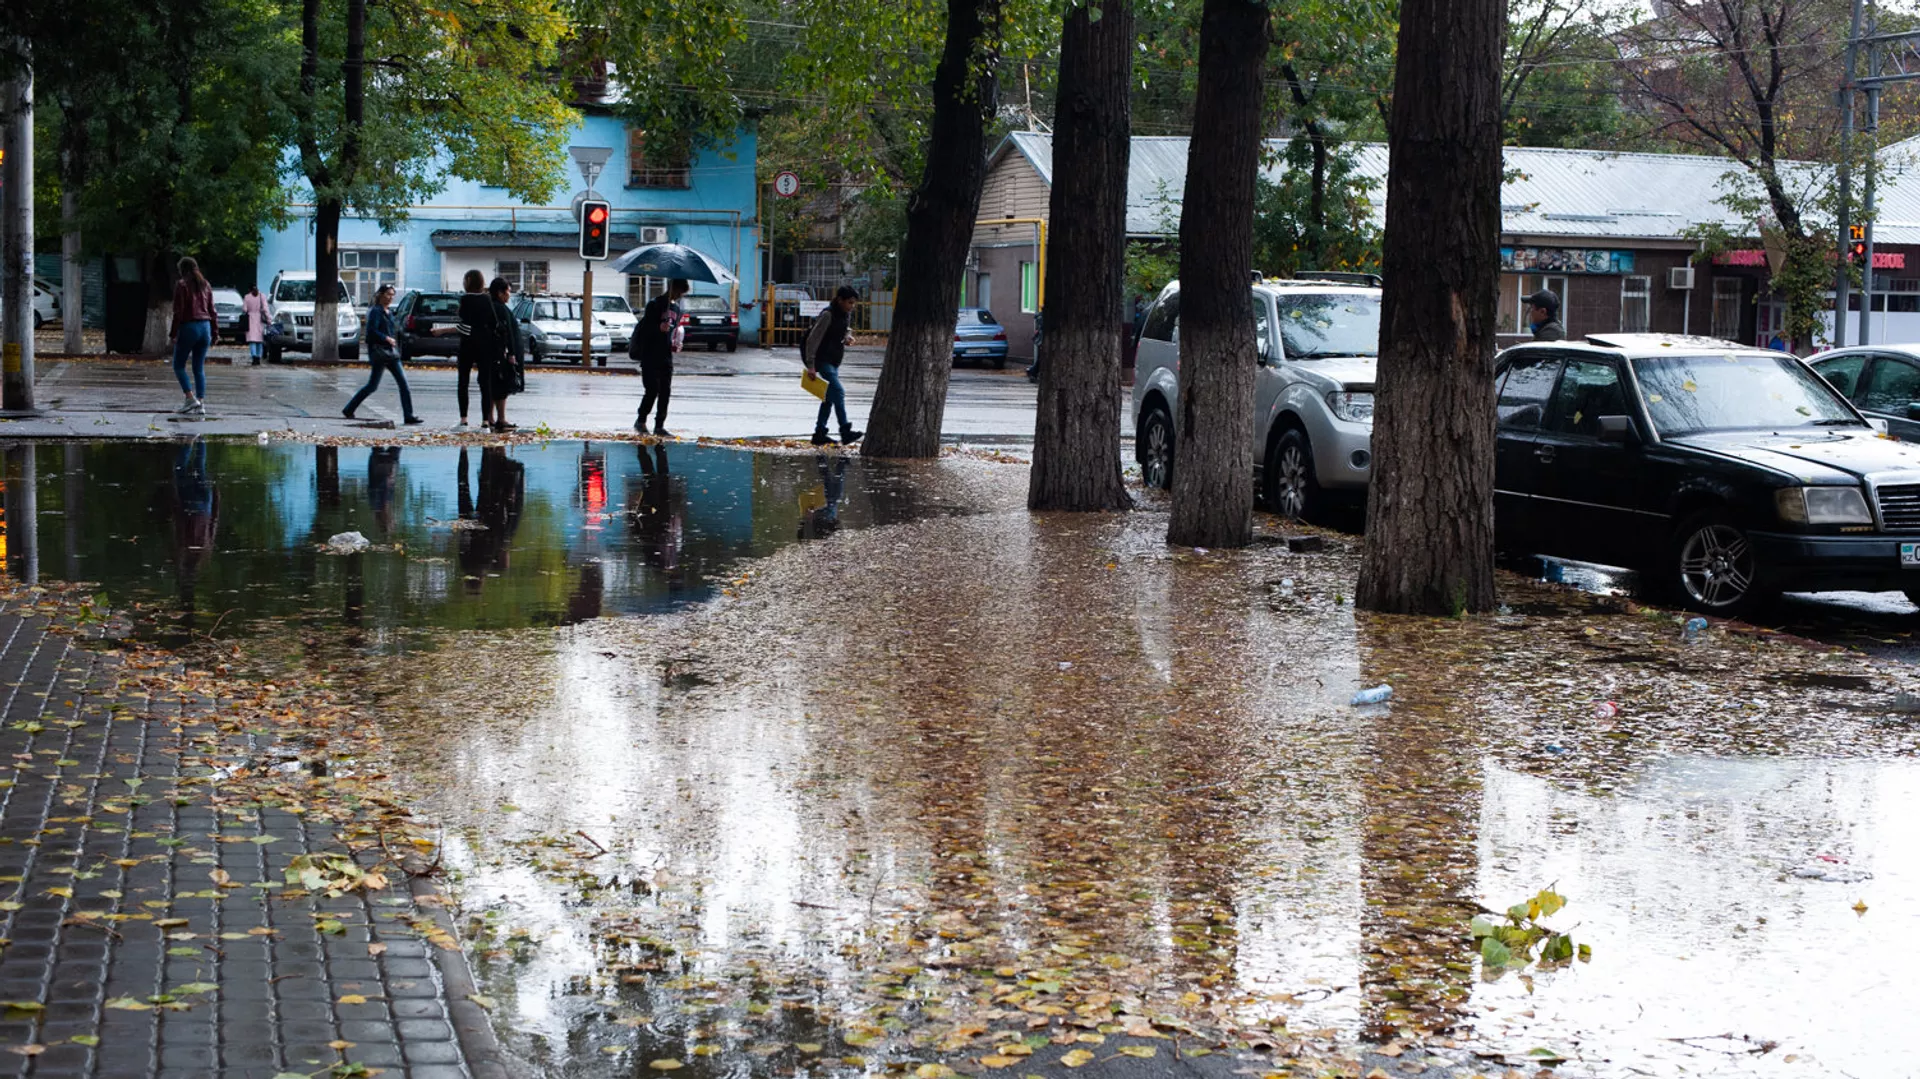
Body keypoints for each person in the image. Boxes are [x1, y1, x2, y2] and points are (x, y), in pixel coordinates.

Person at [343, 284, 423, 424]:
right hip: (379, 353)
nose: (390, 297)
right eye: (388, 294)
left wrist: (392, 341)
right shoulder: (376, 311)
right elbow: (371, 332)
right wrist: (386, 338)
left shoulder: (389, 312)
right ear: (380, 295)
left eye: (392, 295)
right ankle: (349, 408)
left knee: (404, 384)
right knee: (372, 386)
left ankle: (408, 415)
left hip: (392, 354)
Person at [802, 285, 863, 446]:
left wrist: (848, 336)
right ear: (839, 300)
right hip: (823, 360)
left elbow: (845, 330)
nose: (852, 306)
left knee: (828, 398)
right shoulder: (828, 315)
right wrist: (811, 365)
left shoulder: (845, 315)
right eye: (849, 302)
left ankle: (819, 433)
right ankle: (845, 430)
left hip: (835, 360)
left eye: (853, 303)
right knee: (839, 391)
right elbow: (812, 340)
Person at [633, 278, 690, 436]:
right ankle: (641, 420)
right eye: (678, 292)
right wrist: (658, 327)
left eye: (682, 294)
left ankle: (659, 425)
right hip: (650, 354)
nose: (679, 296)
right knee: (652, 390)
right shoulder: (655, 304)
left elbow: (674, 331)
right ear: (671, 288)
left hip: (666, 355)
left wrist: (676, 343)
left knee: (665, 391)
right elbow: (645, 330)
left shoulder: (676, 309)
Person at [452, 269, 503, 427]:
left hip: (467, 344)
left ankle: (464, 420)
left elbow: (463, 321)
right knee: (485, 383)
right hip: (485, 345)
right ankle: (485, 421)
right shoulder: (487, 299)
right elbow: (495, 323)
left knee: (463, 382)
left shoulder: (465, 299)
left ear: (468, 281)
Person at [169, 257, 216, 414]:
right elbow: (212, 311)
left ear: (183, 270)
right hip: (205, 327)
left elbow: (178, 312)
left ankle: (190, 398)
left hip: (189, 327)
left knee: (178, 365)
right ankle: (200, 403)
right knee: (198, 367)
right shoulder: (206, 285)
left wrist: (173, 333)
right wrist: (215, 332)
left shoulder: (182, 285)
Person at [487, 277, 522, 431]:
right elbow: (507, 333)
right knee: (501, 387)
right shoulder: (500, 308)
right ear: (500, 293)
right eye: (508, 291)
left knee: (495, 386)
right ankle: (499, 418)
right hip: (502, 355)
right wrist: (512, 353)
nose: (509, 295)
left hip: (495, 354)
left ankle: (491, 417)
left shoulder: (493, 306)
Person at [242, 285, 270, 366]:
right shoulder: (262, 296)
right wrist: (269, 319)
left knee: (252, 340)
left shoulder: (247, 297)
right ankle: (258, 357)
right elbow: (265, 309)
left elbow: (244, 309)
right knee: (259, 340)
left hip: (250, 319)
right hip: (260, 319)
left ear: (249, 290)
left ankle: (254, 357)